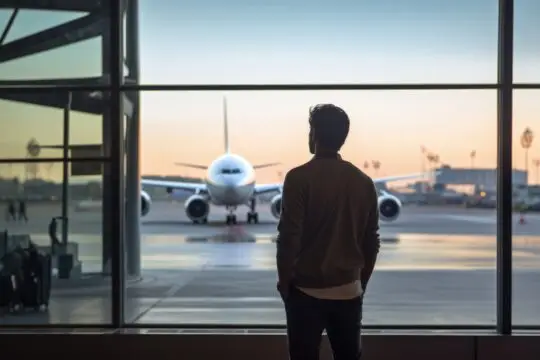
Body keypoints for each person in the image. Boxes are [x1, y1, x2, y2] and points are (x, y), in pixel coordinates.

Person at [276, 104, 380, 360]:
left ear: (314, 134)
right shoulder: (363, 182)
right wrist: (360, 283)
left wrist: (284, 280)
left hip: (305, 291)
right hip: (349, 290)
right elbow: (372, 242)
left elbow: (289, 236)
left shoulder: (298, 178)